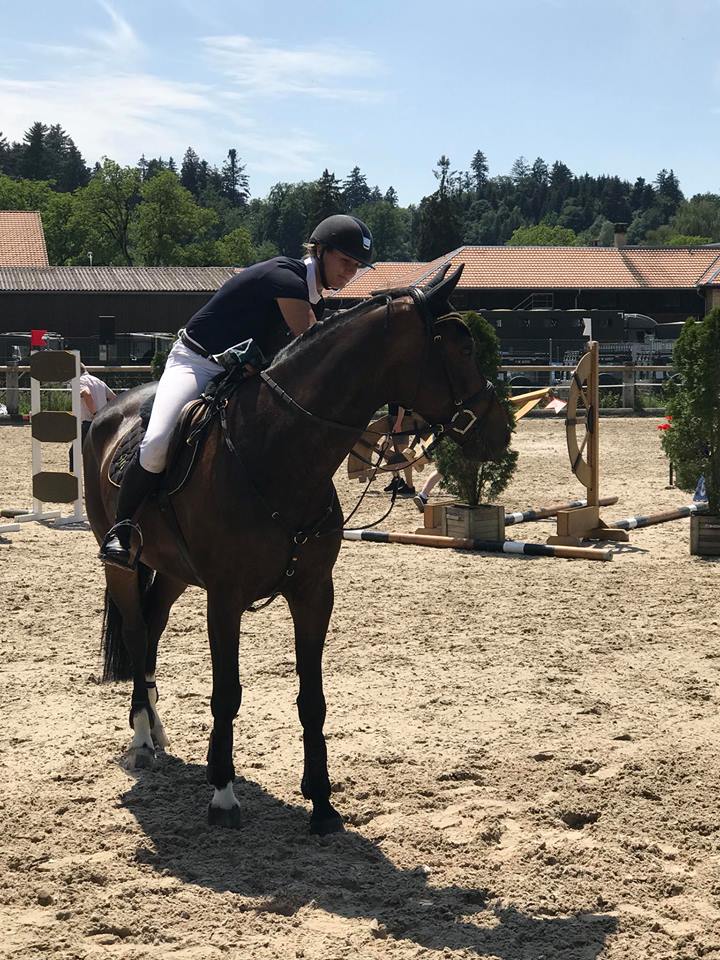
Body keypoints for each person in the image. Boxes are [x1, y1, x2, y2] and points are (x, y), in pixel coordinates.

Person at [99, 214, 374, 567]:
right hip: (197, 363)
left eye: (356, 266)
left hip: (238, 371)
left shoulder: (313, 298)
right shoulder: (286, 278)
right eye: (345, 261)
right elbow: (313, 349)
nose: (350, 272)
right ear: (319, 250)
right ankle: (121, 530)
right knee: (157, 443)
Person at [69, 364, 117, 471]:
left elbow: (86, 393)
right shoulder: (98, 381)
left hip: (89, 423)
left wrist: (95, 413)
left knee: (74, 453)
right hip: (104, 422)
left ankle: (73, 477)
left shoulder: (79, 381)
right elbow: (113, 397)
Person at [383, 403, 416, 497]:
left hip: (401, 421)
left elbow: (402, 403)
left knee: (404, 455)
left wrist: (398, 423)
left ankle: (410, 487)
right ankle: (397, 479)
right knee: (384, 450)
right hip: (393, 419)